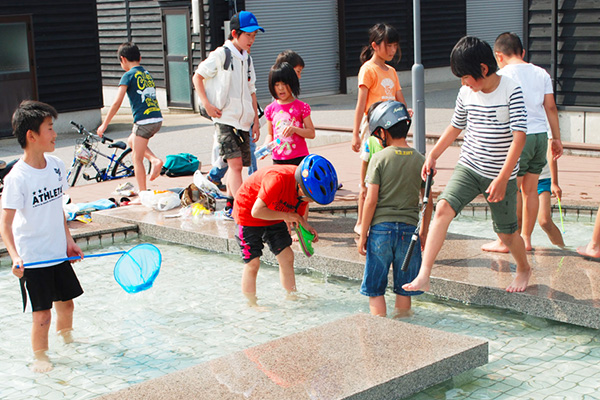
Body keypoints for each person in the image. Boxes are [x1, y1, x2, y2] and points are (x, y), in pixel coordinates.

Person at [403, 36, 532, 294]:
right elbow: (455, 126)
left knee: (506, 234)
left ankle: (524, 268)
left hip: (501, 174)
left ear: (483, 69)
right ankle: (424, 274)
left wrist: (503, 177)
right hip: (470, 166)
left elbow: (519, 137)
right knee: (442, 209)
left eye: (465, 77)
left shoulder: (511, 90)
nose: (462, 83)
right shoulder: (466, 93)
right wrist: (433, 154)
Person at [0, 101, 85, 372]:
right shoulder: (17, 178)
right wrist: (15, 258)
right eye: (49, 128)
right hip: (33, 258)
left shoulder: (57, 166)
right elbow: (5, 224)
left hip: (57, 251)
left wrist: (69, 241)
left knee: (67, 305)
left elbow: (58, 208)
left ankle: (67, 340)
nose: (55, 133)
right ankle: (40, 356)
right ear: (31, 136)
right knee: (42, 315)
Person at [482, 32, 563, 253]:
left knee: (510, 190)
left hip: (519, 137)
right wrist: (556, 138)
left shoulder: (503, 75)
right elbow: (551, 108)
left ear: (498, 55)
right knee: (530, 190)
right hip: (539, 137)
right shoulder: (541, 73)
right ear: (523, 52)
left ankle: (505, 240)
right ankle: (526, 239)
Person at [357, 101, 433, 318]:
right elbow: (427, 202)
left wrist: (363, 233)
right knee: (405, 287)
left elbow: (371, 201)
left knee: (375, 290)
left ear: (382, 131)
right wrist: (424, 232)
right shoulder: (420, 160)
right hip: (409, 232)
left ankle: (379, 331)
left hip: (380, 230)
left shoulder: (379, 158)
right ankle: (403, 330)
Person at [233, 155, 338, 306]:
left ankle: (292, 296)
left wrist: (305, 227)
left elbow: (297, 216)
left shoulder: (302, 193)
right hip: (248, 213)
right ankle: (252, 304)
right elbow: (257, 212)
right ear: (302, 187)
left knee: (287, 256)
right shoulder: (277, 179)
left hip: (274, 211)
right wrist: (287, 216)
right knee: (253, 262)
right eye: (311, 198)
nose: (310, 202)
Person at [193, 10, 263, 218]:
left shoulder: (247, 59)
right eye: (248, 35)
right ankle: (242, 209)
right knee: (235, 165)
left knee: (238, 167)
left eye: (254, 35)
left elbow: (252, 90)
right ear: (235, 33)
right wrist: (207, 104)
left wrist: (256, 121)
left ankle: (230, 206)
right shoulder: (221, 54)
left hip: (243, 121)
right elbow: (197, 77)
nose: (252, 39)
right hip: (224, 120)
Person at [350, 23, 412, 235]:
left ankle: (381, 218)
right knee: (368, 176)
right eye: (389, 46)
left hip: (393, 130)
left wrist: (405, 111)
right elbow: (361, 105)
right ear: (375, 45)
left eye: (395, 46)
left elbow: (399, 99)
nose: (393, 50)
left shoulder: (392, 71)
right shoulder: (368, 70)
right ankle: (360, 222)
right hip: (375, 129)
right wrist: (356, 133)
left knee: (388, 174)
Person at [97, 42, 164, 192]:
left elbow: (116, 103)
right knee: (131, 140)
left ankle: (142, 194)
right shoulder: (147, 74)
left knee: (137, 158)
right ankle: (154, 160)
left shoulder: (128, 75)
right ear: (139, 57)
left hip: (143, 121)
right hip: (157, 119)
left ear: (123, 59)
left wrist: (104, 124)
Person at [263, 63, 315, 166]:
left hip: (299, 158)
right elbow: (270, 134)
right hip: (278, 160)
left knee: (296, 183)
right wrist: (265, 146)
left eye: (284, 84)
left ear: (292, 83)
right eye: (277, 85)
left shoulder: (302, 107)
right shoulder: (270, 109)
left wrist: (295, 130)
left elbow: (311, 133)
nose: (281, 88)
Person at [536, 148, 565, 247]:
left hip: (542, 177)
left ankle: (563, 248)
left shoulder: (549, 132)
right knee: (518, 220)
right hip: (520, 175)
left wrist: (554, 182)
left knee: (544, 221)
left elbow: (551, 151)